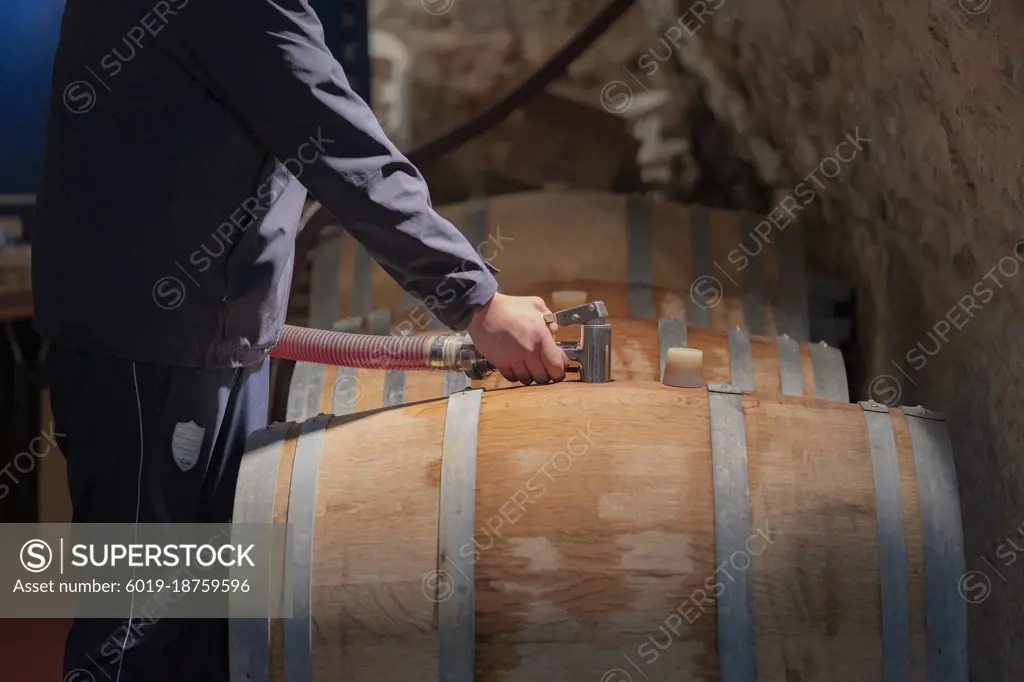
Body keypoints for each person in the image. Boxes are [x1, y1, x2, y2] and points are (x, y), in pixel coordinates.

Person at [32, 0, 568, 680]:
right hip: (153, 344)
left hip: (197, 332)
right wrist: (477, 300)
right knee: (137, 634)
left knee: (207, 621)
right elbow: (341, 144)